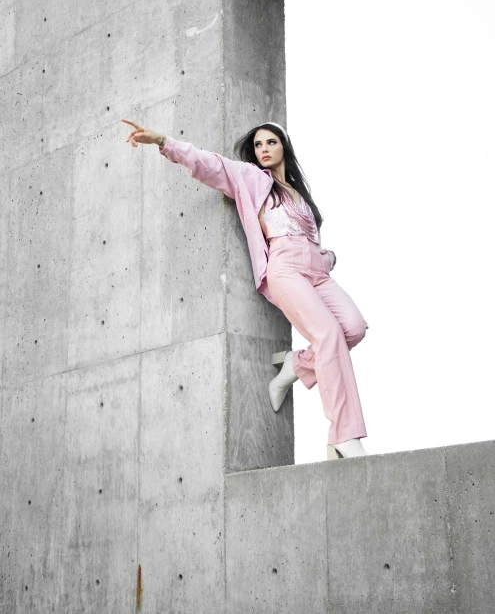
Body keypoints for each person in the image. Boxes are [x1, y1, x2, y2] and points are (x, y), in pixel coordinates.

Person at [122, 117, 369, 460]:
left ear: (284, 147)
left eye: (270, 142)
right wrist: (164, 141)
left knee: (353, 329)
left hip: (318, 271)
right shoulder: (252, 179)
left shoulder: (300, 193)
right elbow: (210, 164)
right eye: (258, 145)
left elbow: (311, 236)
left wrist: (328, 256)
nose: (263, 149)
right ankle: (344, 436)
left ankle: (296, 365)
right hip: (285, 268)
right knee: (327, 333)